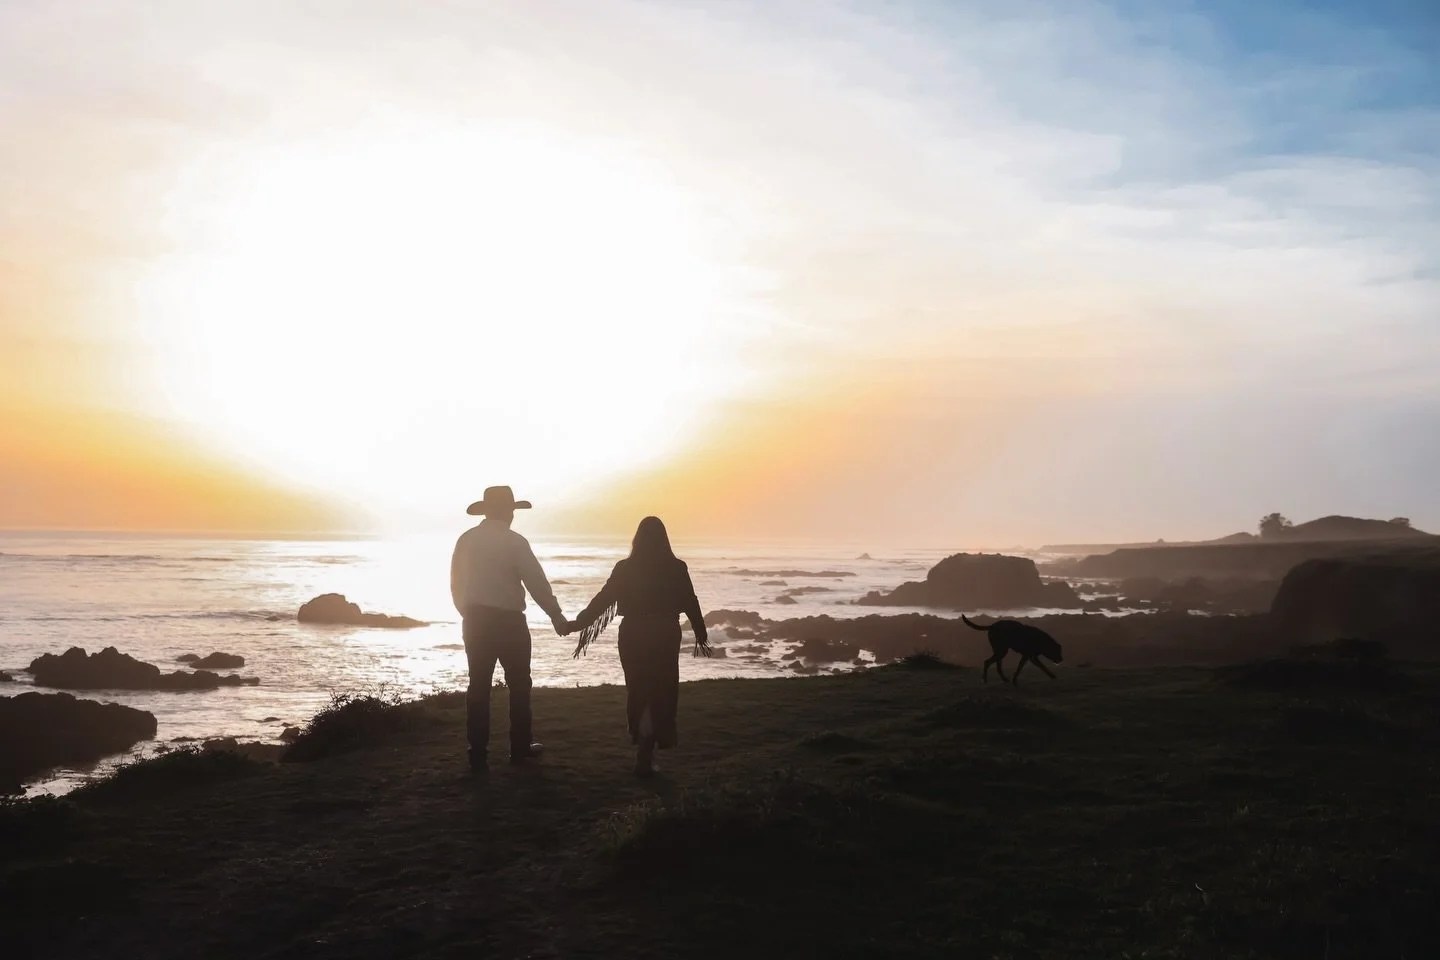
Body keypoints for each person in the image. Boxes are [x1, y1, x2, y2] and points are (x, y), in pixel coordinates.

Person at [570, 516, 709, 777]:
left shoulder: (625, 568)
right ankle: (645, 754)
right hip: (665, 633)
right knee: (660, 691)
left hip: (633, 633)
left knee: (639, 690)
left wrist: (578, 623)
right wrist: (700, 632)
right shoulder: (676, 567)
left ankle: (643, 752)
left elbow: (604, 598)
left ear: (637, 538)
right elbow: (690, 600)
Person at [450, 485, 571, 770]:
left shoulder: (466, 540)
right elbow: (536, 582)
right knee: (519, 685)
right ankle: (519, 748)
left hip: (476, 621)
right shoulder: (515, 542)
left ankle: (477, 752)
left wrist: (467, 612)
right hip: (509, 622)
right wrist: (555, 615)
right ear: (508, 512)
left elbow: (455, 583)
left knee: (478, 686)